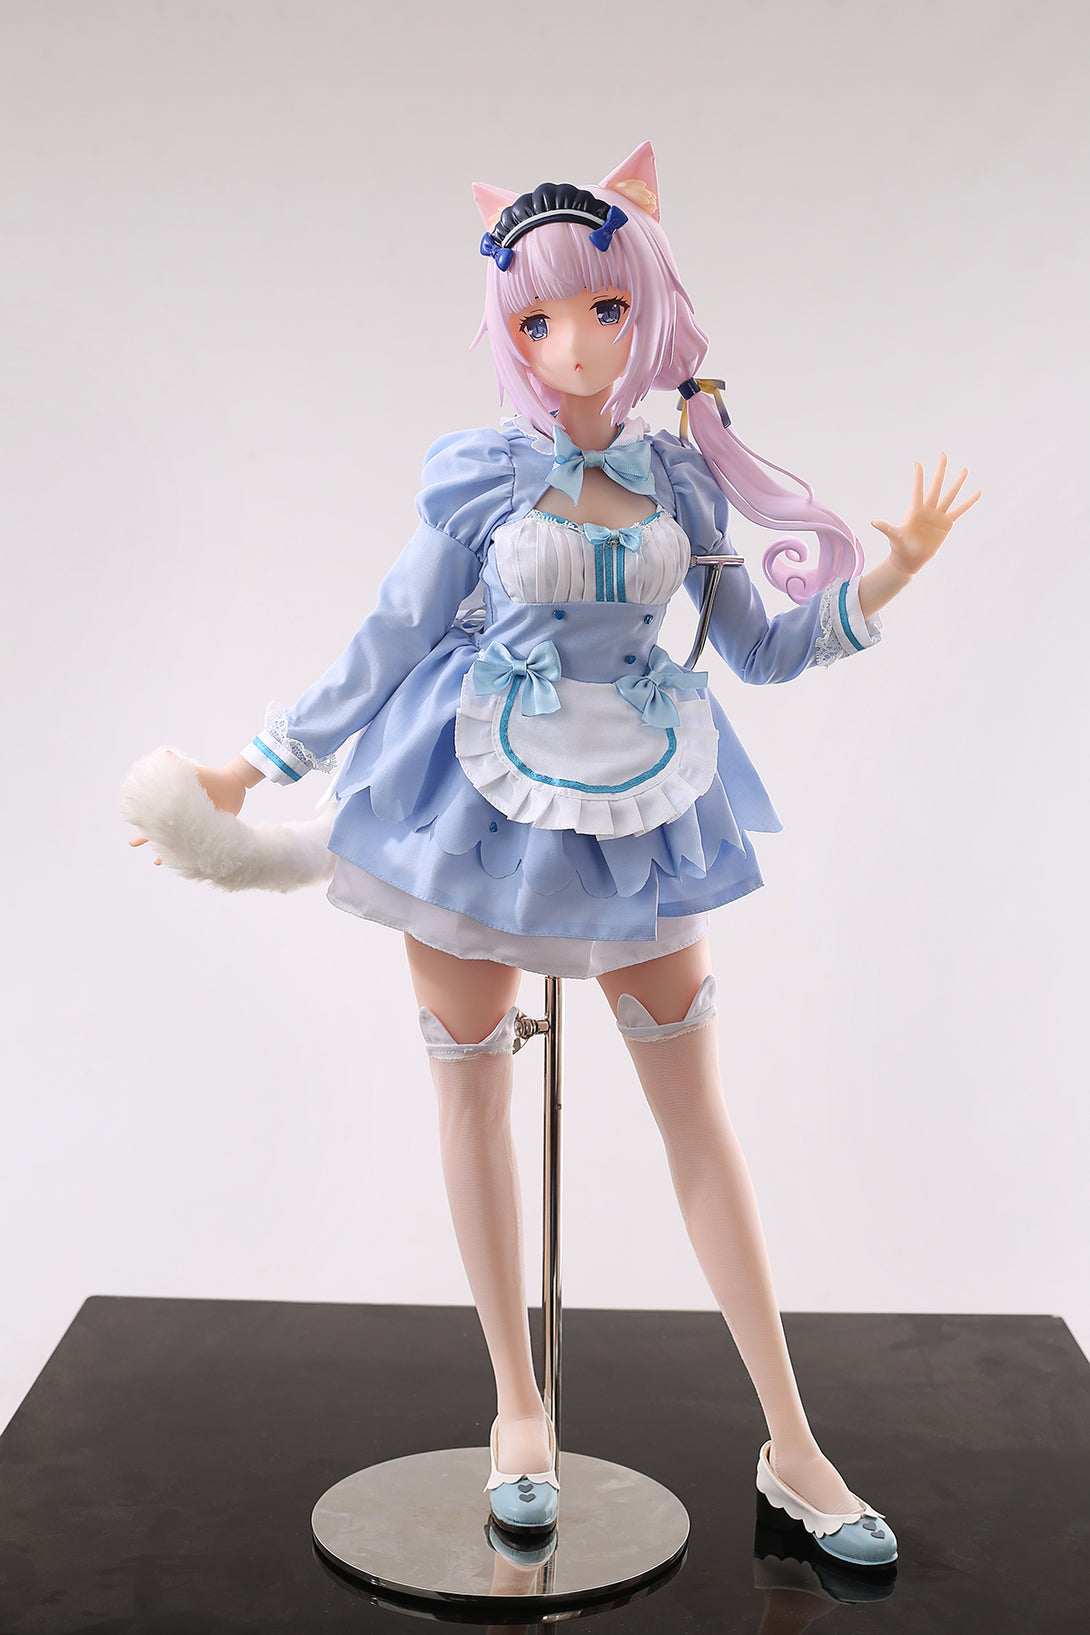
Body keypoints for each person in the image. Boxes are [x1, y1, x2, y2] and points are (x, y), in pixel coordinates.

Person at [131, 142, 978, 1567]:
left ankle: (793, 1440)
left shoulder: (683, 478)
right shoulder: (481, 477)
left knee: (697, 1117)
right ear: (508, 331)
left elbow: (762, 651)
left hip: (646, 803)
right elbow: (390, 634)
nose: (573, 343)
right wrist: (256, 765)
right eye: (537, 318)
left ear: (645, 308)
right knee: (471, 1098)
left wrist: (884, 574)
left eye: (600, 308)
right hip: (471, 801)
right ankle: (517, 1410)